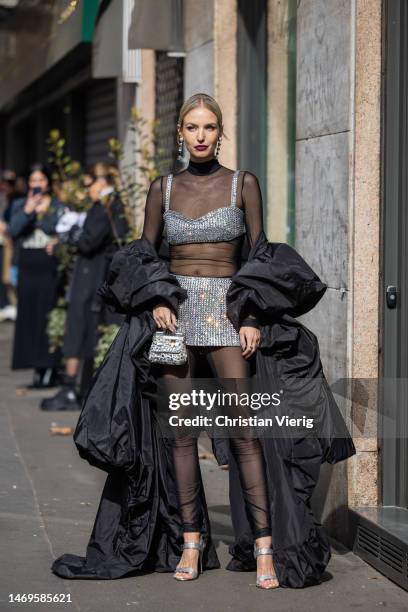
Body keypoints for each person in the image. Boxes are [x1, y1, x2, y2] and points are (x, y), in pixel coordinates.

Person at [51, 94, 355, 588]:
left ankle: (262, 546)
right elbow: (143, 255)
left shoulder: (243, 184)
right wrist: (155, 300)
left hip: (229, 318)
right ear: (179, 133)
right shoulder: (162, 189)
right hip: (176, 322)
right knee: (182, 435)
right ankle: (191, 541)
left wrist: (253, 314)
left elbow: (259, 253)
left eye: (209, 127)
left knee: (245, 432)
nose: (200, 135)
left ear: (220, 133)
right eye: (192, 127)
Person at [40, 164, 129, 411]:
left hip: (92, 279)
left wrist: (68, 236)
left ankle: (72, 388)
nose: (87, 190)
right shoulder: (111, 206)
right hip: (95, 278)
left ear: (102, 183)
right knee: (87, 331)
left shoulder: (106, 207)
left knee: (80, 329)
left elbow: (88, 241)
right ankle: (79, 388)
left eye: (89, 184)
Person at [9, 164, 64, 388]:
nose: (37, 185)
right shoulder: (20, 204)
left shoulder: (57, 205)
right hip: (28, 268)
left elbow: (57, 228)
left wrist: (43, 213)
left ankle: (51, 366)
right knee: (29, 319)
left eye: (41, 180)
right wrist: (28, 210)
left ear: (48, 183)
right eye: (33, 181)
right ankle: (35, 366)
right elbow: (14, 230)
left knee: (48, 316)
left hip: (49, 267)